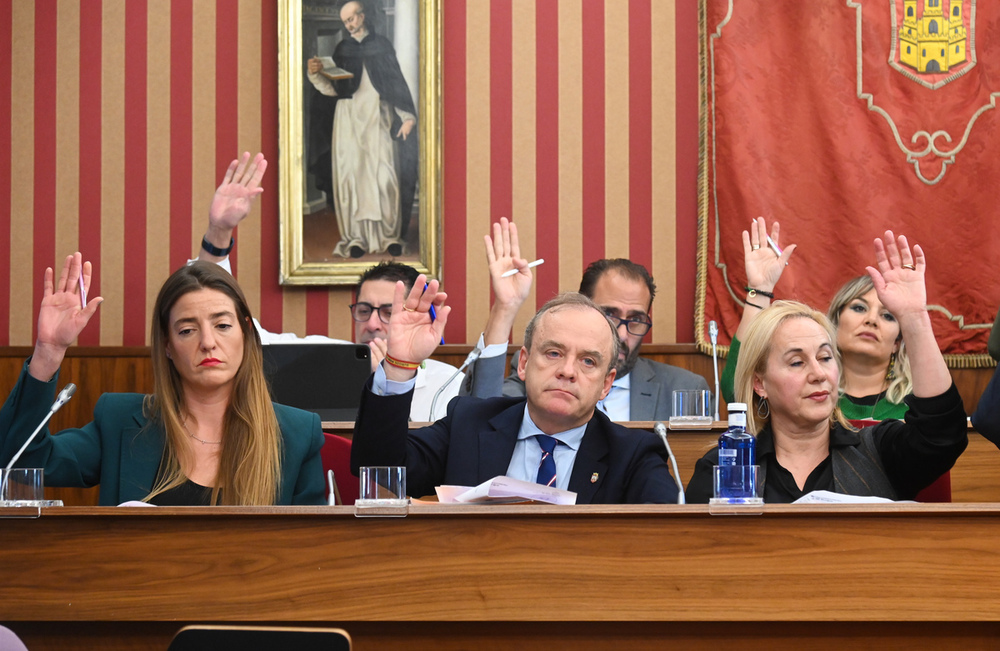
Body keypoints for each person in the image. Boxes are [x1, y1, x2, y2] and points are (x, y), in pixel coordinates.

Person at [194, 152, 505, 421]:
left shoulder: (447, 383)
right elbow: (242, 337)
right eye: (365, 310)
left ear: (422, 317)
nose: (371, 324)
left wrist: (392, 378)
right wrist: (219, 233)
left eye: (387, 312)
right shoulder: (323, 356)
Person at [0, 254, 326, 506]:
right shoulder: (120, 422)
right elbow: (21, 464)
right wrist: (49, 350)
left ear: (245, 331)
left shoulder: (296, 434)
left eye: (222, 325)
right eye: (187, 330)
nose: (208, 342)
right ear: (168, 345)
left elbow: (309, 552)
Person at [687, 232, 967, 503]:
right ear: (760, 384)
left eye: (825, 358)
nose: (818, 374)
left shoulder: (879, 450)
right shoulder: (722, 469)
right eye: (797, 362)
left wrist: (914, 318)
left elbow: (941, 436)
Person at [350, 284, 679, 504]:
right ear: (523, 363)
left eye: (588, 361)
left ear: (606, 384)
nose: (567, 370)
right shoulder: (470, 423)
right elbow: (379, 465)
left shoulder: (632, 454)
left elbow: (669, 534)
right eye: (553, 353)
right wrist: (398, 366)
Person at [464, 256, 709, 420]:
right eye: (609, 314)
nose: (621, 334)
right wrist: (505, 308)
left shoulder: (682, 388)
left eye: (635, 319)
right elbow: (480, 415)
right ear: (582, 307)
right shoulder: (545, 368)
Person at [721, 218, 912, 422]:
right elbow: (739, 389)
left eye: (887, 316)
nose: (872, 320)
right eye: (859, 308)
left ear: (898, 343)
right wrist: (760, 288)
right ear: (835, 325)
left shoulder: (916, 405)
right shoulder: (806, 394)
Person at [307, 0, 417, 258]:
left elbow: (395, 83)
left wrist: (407, 116)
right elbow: (333, 89)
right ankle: (355, 238)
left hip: (379, 119)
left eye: (352, 19)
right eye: (345, 22)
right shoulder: (343, 48)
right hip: (349, 120)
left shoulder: (382, 46)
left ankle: (389, 236)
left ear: (363, 16)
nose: (349, 25)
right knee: (352, 178)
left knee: (384, 179)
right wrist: (317, 74)